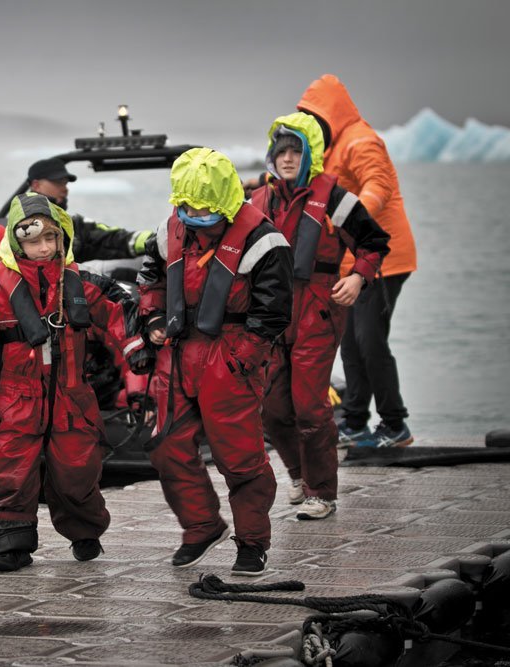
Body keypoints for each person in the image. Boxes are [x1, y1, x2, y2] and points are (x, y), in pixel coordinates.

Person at [0, 192, 149, 573]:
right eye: (34, 240)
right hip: (11, 397)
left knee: (77, 469)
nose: (44, 247)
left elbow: (120, 310)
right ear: (17, 243)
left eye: (51, 238)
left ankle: (86, 532)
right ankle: (10, 545)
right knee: (8, 471)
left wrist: (137, 350)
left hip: (71, 393)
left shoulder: (82, 283)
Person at [137, 148, 293, 576]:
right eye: (188, 205)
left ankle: (253, 542)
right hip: (177, 350)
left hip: (230, 352)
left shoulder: (263, 241)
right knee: (166, 445)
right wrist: (151, 320)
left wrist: (244, 358)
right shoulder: (167, 232)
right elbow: (150, 281)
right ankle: (201, 526)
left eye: (205, 206)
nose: (196, 213)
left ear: (224, 199)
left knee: (240, 457)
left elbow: (274, 311)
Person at [251, 113, 390, 520]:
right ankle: (297, 474)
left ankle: (322, 493)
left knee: (310, 407)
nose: (288, 159)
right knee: (271, 408)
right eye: (282, 152)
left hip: (317, 310)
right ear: (271, 157)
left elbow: (373, 242)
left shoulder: (334, 198)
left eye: (296, 151)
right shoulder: (258, 201)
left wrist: (359, 278)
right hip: (271, 314)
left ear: (310, 155)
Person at [297, 74, 417, 448]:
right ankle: (353, 422)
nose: (312, 125)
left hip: (385, 258)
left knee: (370, 341)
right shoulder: (331, 149)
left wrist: (347, 217)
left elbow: (377, 185)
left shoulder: (361, 141)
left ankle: (395, 424)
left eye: (315, 117)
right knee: (349, 343)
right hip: (352, 263)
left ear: (328, 114)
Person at [27, 158, 156, 262]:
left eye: (65, 183)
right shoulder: (17, 227)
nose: (65, 189)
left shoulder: (74, 226)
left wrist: (155, 240)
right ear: (36, 185)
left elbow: (110, 239)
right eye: (58, 182)